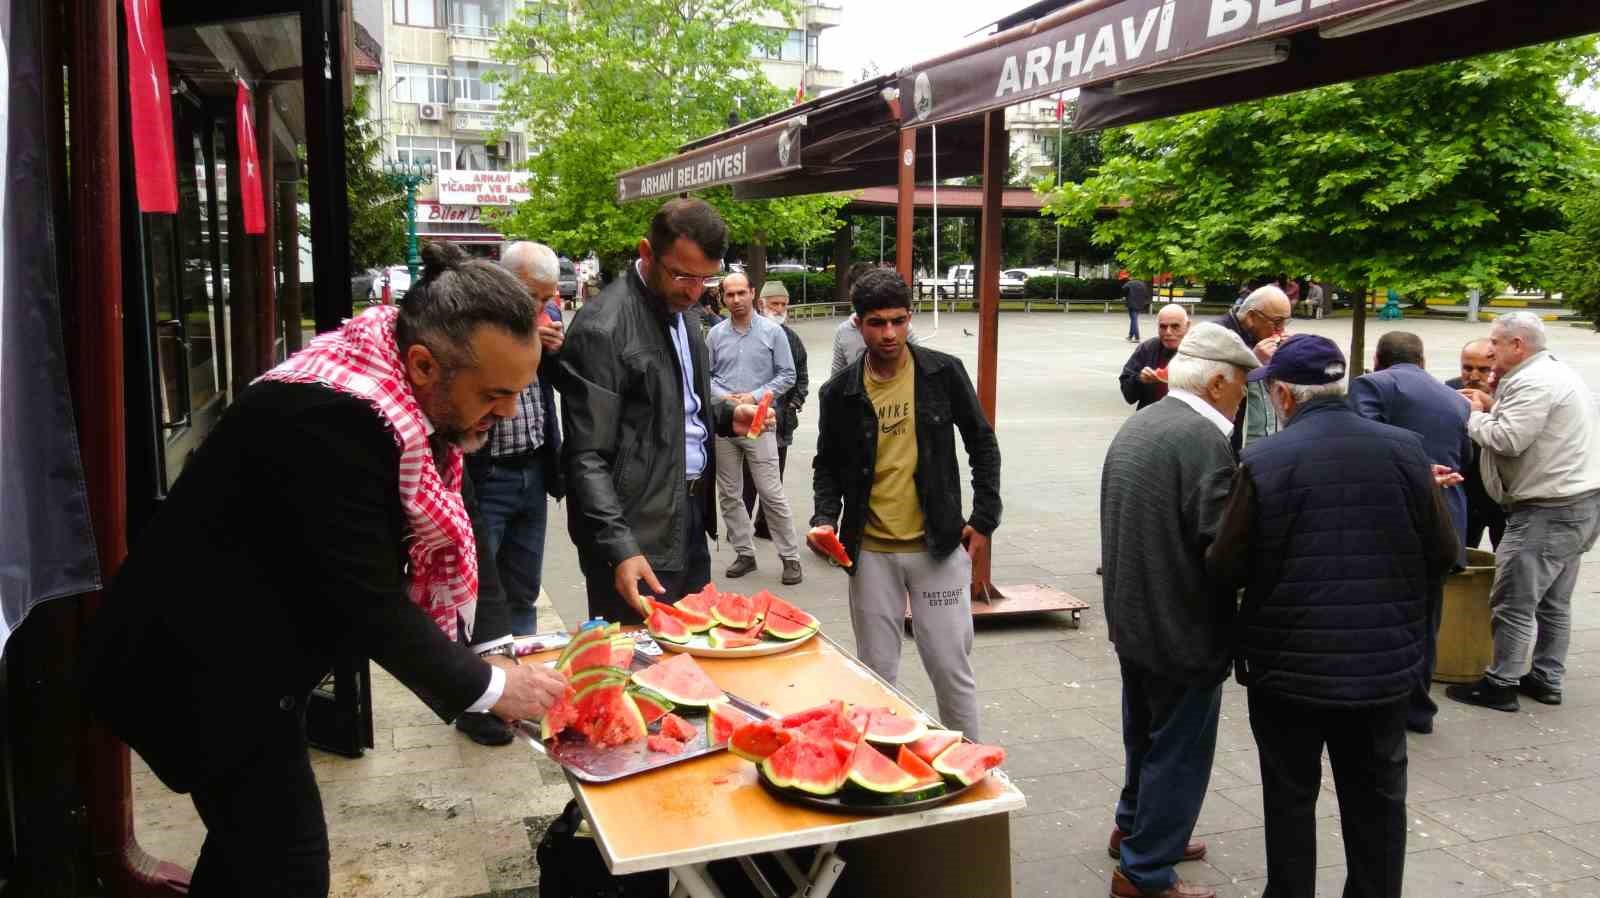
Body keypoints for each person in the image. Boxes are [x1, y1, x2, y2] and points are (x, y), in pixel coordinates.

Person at [82, 243, 570, 897]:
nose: (508, 412)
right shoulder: (333, 421)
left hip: (253, 665)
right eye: (495, 394)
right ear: (424, 365)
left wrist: (493, 644)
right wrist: (489, 686)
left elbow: (466, 512)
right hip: (196, 672)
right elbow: (369, 604)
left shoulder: (398, 390)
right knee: (288, 866)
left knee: (246, 855)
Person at [1208, 335, 1458, 898]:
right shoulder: (1406, 450)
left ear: (1283, 396)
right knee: (1377, 798)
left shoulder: (1264, 459)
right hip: (1383, 668)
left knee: (1291, 796)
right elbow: (1444, 554)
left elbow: (1226, 565)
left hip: (1288, 671)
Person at [1100, 322, 1260, 898]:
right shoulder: (1204, 441)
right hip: (1182, 624)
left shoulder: (1144, 422)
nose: (1245, 394)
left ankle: (1136, 827)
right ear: (1218, 382)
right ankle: (1146, 870)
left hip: (1134, 615)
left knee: (1143, 732)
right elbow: (1220, 547)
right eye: (1242, 383)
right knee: (1179, 748)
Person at [811, 268, 999, 742]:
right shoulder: (840, 393)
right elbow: (827, 465)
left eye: (898, 320)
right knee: (875, 676)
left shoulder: (943, 371)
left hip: (936, 547)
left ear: (909, 317)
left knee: (950, 667)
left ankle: (973, 766)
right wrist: (823, 519)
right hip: (870, 553)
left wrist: (984, 517)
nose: (889, 333)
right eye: (877, 322)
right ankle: (880, 764)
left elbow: (982, 442)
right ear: (858, 325)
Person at [560, 199, 758, 622]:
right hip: (635, 528)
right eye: (682, 274)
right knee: (640, 668)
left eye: (706, 278)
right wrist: (619, 548)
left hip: (687, 517)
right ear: (646, 252)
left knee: (694, 649)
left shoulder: (685, 312)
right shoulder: (602, 329)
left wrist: (725, 415)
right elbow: (585, 457)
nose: (694, 290)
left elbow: (674, 403)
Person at [1447, 312, 1600, 711]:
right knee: (1554, 601)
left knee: (1514, 599)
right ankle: (1546, 678)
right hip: (1576, 503)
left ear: (1517, 345)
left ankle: (1501, 683)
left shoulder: (1534, 381)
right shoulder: (1551, 373)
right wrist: (1491, 404)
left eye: (1495, 343)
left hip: (1548, 510)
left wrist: (1473, 415)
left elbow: (1509, 438)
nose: (1490, 349)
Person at [452, 242, 567, 747]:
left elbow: (557, 386)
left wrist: (551, 350)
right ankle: (477, 700)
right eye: (534, 296)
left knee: (523, 587)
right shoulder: (477, 324)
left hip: (532, 470)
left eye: (548, 298)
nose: (542, 307)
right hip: (487, 475)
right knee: (477, 595)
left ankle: (525, 689)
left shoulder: (543, 324)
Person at [1351, 331, 1471, 735]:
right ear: (1422, 361)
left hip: (1393, 520)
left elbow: (1368, 445)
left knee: (1378, 612)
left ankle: (1376, 699)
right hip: (1444, 519)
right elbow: (1463, 457)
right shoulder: (1456, 399)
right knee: (1425, 617)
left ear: (1379, 359)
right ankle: (1418, 708)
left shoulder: (1373, 385)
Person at [708, 275, 803, 585]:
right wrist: (725, 399)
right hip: (725, 424)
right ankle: (744, 553)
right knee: (729, 493)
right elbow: (705, 376)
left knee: (770, 492)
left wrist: (754, 397)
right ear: (723, 298)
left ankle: (790, 557)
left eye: (741, 293)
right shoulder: (715, 335)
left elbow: (787, 374)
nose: (736, 300)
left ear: (752, 294)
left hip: (759, 423)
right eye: (729, 294)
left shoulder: (773, 333)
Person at [745, 282, 809, 541]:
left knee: (774, 478)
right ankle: (740, 524)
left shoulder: (792, 338)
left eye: (783, 304)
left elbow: (801, 376)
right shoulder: (749, 333)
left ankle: (764, 525)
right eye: (775, 304)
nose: (780, 309)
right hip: (750, 417)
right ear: (761, 304)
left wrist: (794, 404)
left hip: (781, 420)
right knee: (747, 476)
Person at [1445, 338, 1507, 549]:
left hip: (1501, 494)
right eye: (1467, 368)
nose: (1473, 376)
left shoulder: (1509, 393)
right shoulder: (1450, 389)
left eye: (1483, 370)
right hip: (1466, 490)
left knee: (1507, 562)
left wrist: (1491, 406)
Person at [1216, 285, 1291, 452]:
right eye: (1277, 322)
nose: (1282, 330)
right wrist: (1253, 360)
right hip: (1229, 440)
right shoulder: (1217, 335)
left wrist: (1287, 354)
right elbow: (1214, 388)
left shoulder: (1258, 333)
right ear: (1250, 317)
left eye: (1286, 321)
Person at [1118, 303, 1189, 410]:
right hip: (1151, 421)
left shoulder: (1201, 352)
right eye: (1163, 327)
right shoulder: (1147, 349)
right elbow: (1128, 396)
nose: (1168, 332)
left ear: (1187, 326)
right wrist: (1139, 380)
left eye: (1175, 326)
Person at [1122, 275, 1152, 343]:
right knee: (1133, 319)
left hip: (1131, 303)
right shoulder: (1142, 284)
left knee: (1134, 320)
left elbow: (1124, 289)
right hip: (1140, 304)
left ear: (1131, 277)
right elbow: (1146, 293)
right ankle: (1130, 335)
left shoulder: (1129, 283)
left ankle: (1137, 337)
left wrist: (1125, 296)